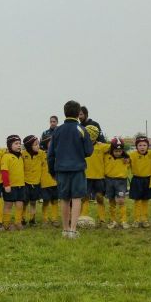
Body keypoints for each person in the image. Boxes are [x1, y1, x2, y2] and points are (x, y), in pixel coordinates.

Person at [47, 100, 94, 238]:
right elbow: (89, 151)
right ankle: (73, 230)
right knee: (77, 198)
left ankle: (65, 229)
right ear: (77, 113)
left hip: (60, 170)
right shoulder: (81, 130)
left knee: (64, 199)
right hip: (77, 169)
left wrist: (52, 172)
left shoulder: (57, 131)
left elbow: (50, 155)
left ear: (64, 112)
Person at [81, 125, 110, 226]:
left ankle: (102, 219)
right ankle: (83, 218)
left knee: (99, 197)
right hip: (86, 176)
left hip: (99, 177)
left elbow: (115, 147)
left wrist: (125, 157)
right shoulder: (82, 145)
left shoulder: (101, 146)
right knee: (85, 198)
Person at [103, 137, 130, 229]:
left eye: (120, 151)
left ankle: (123, 221)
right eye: (116, 151)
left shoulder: (126, 159)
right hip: (109, 180)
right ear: (112, 149)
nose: (118, 153)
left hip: (121, 181)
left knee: (121, 201)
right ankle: (113, 220)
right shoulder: (106, 156)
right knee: (111, 201)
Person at [128, 135, 151, 227]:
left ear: (148, 146)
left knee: (145, 201)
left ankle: (144, 219)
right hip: (137, 180)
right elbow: (124, 159)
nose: (142, 147)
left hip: (147, 180)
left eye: (144, 145)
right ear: (136, 147)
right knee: (137, 201)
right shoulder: (132, 155)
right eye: (140, 145)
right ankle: (136, 219)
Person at [1, 135, 25, 231]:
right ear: (10, 145)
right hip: (10, 186)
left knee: (20, 204)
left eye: (20, 143)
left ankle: (18, 222)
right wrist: (6, 185)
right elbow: (4, 172)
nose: (19, 145)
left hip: (21, 185)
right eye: (16, 144)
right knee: (8, 205)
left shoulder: (21, 156)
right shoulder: (6, 157)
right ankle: (6, 223)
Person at [22, 135, 46, 225]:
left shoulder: (42, 153)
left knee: (33, 202)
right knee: (24, 202)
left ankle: (32, 219)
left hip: (36, 182)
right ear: (29, 146)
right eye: (35, 144)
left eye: (38, 144)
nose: (38, 146)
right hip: (25, 182)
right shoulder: (23, 154)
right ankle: (22, 219)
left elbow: (44, 165)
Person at [40, 136, 59, 226]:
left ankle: (54, 219)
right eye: (50, 142)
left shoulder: (59, 154)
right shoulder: (41, 154)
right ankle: (45, 219)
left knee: (55, 201)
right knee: (46, 201)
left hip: (56, 182)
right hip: (45, 183)